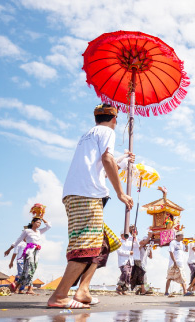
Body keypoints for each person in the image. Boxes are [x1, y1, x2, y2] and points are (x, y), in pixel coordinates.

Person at [47, 103, 133, 309]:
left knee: (105, 243)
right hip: (86, 194)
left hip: (79, 192)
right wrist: (121, 193)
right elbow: (107, 159)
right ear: (114, 119)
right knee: (86, 245)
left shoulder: (88, 134)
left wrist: (123, 160)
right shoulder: (107, 132)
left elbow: (102, 166)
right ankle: (59, 295)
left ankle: (83, 290)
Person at [4, 217, 51, 295]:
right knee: (29, 269)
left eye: (40, 223)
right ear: (33, 222)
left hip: (37, 252)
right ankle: (29, 289)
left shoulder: (39, 231)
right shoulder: (27, 231)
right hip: (29, 251)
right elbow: (18, 240)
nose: (39, 224)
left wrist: (42, 218)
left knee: (32, 269)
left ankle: (16, 287)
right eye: (37, 222)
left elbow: (49, 226)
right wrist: (9, 249)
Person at [165, 232, 188, 296]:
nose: (183, 237)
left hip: (180, 262)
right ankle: (166, 292)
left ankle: (185, 291)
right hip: (173, 263)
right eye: (181, 235)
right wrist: (174, 261)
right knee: (170, 277)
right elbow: (171, 252)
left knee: (182, 276)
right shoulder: (173, 242)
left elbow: (186, 250)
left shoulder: (182, 243)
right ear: (177, 236)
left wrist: (186, 244)